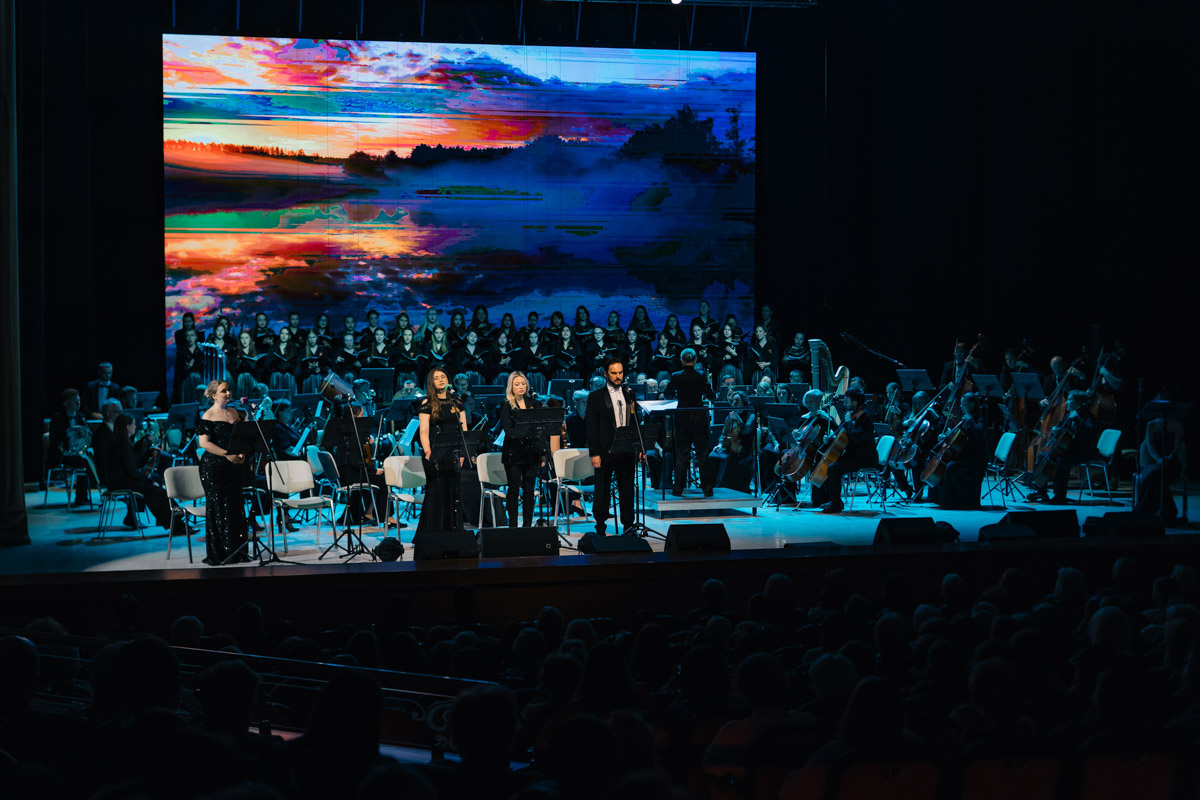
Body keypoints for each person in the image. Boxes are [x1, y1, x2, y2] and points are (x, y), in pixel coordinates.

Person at [584, 358, 640, 536]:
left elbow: (635, 422)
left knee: (627, 489)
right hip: (605, 450)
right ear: (605, 374)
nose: (618, 377)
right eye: (614, 373)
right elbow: (591, 426)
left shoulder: (629, 394)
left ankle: (628, 526)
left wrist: (639, 448)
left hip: (626, 449)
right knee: (602, 490)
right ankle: (600, 526)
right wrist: (594, 453)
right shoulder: (596, 396)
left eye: (620, 373)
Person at [197, 380, 251, 564]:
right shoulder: (208, 415)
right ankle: (221, 553)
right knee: (219, 508)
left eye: (228, 390)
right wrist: (227, 455)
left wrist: (241, 453)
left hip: (233, 465)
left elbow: (243, 435)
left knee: (235, 506)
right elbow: (204, 443)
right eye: (223, 391)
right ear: (213, 395)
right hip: (214, 467)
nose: (228, 393)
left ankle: (238, 550)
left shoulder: (235, 412)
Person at [416, 368, 468, 534]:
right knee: (436, 490)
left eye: (443, 377)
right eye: (436, 378)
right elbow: (423, 431)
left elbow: (463, 427)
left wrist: (463, 452)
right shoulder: (427, 403)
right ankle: (431, 531)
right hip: (435, 452)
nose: (440, 380)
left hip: (453, 450)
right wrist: (428, 452)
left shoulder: (456, 401)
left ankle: (452, 530)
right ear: (431, 382)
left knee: (453, 489)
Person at [810, 387, 876, 513]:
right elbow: (841, 434)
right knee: (830, 462)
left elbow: (856, 437)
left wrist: (849, 423)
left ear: (855, 403)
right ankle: (832, 500)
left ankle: (836, 504)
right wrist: (829, 439)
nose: (844, 404)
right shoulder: (852, 418)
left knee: (834, 467)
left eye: (847, 401)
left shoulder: (865, 420)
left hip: (865, 459)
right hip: (854, 457)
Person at [1028, 390, 1099, 504]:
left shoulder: (1087, 416)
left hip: (1083, 451)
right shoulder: (1068, 416)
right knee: (1042, 456)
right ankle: (1040, 490)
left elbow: (1090, 433)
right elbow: (1065, 433)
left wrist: (1078, 419)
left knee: (1062, 462)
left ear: (1078, 403)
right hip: (1069, 449)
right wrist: (1057, 431)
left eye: (1070, 400)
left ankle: (1060, 496)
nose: (1067, 403)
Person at [105, 414, 172, 531]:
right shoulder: (122, 445)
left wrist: (148, 452)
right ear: (127, 427)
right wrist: (149, 481)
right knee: (155, 491)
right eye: (133, 424)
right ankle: (173, 522)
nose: (135, 427)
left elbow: (135, 464)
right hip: (120, 482)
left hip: (122, 480)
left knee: (155, 487)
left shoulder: (122, 443)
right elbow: (132, 471)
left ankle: (173, 520)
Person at [665, 348, 716, 497]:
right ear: (695, 361)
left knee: (682, 455)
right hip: (699, 419)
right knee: (703, 454)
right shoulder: (700, 375)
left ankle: (678, 489)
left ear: (681, 361)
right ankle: (707, 489)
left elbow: (668, 393)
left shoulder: (675, 376)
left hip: (682, 418)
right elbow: (710, 395)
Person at [499, 372, 545, 528]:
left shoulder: (534, 403)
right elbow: (508, 430)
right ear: (511, 386)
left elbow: (540, 428)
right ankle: (513, 526)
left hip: (531, 451)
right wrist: (525, 433)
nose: (520, 387)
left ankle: (527, 525)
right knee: (513, 489)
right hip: (514, 451)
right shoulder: (506, 404)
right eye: (517, 384)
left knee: (529, 490)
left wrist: (543, 453)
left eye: (523, 383)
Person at [926, 393, 988, 510]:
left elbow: (979, 435)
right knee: (942, 464)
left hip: (975, 458)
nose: (961, 406)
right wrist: (946, 436)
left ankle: (952, 502)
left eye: (963, 404)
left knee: (950, 467)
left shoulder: (979, 418)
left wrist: (971, 421)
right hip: (964, 455)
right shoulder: (965, 418)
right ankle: (938, 498)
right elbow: (959, 435)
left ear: (972, 404)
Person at [1135, 390, 1185, 520]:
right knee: (1155, 473)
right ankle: (1162, 511)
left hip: (1171, 462)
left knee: (1158, 475)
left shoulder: (1178, 424)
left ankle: (1150, 510)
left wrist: (1169, 457)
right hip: (1155, 461)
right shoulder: (1151, 424)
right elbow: (1150, 445)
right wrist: (1158, 459)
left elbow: (1178, 446)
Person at [47, 388, 93, 505]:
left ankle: (84, 496)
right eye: (74, 401)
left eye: (79, 400)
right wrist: (66, 450)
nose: (78, 403)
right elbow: (55, 440)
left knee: (90, 459)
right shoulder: (57, 418)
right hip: (64, 454)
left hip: (79, 452)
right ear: (65, 403)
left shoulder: (81, 417)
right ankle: (80, 498)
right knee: (83, 463)